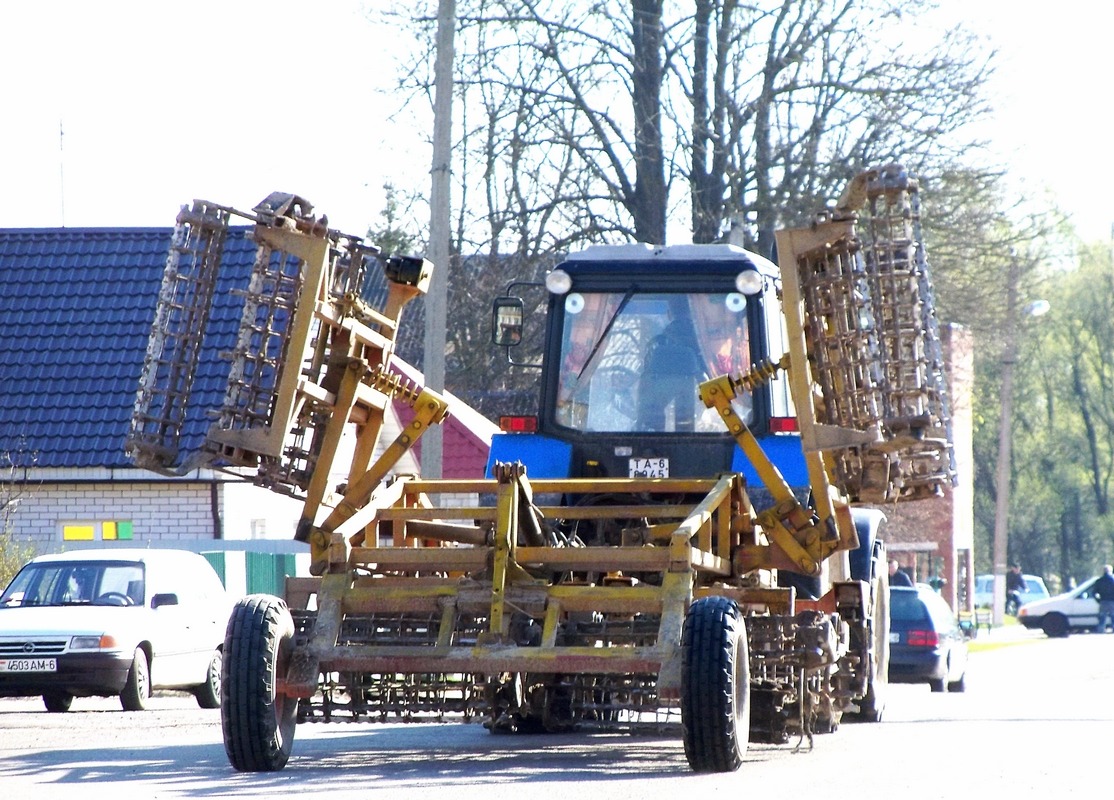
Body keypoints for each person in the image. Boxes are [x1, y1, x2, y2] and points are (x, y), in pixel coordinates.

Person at [1092, 564, 1114, 633]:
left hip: (1103, 601)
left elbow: (1094, 592)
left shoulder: (1099, 581)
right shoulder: (1113, 581)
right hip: (1112, 602)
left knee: (1102, 618)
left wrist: (1098, 600)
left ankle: (1101, 631)